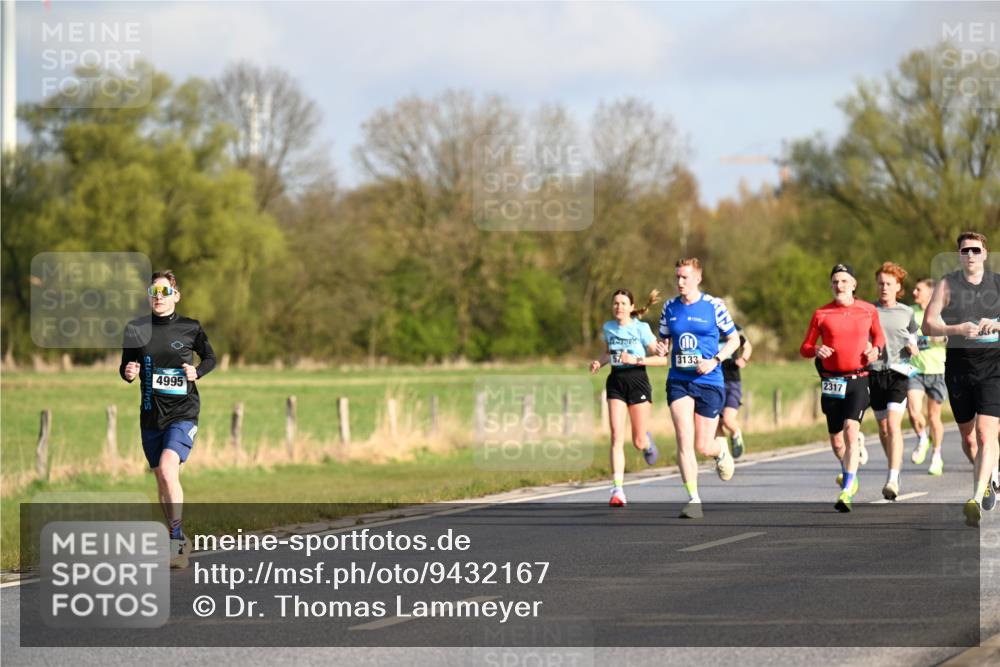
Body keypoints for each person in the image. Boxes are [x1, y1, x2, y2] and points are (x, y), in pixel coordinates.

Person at [120, 270, 216, 567]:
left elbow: (210, 358)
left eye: (164, 292)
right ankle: (178, 537)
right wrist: (128, 373)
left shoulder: (190, 328)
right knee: (162, 478)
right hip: (151, 414)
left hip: (183, 412)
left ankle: (174, 543)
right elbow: (125, 366)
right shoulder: (136, 329)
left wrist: (196, 371)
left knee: (167, 465)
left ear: (175, 295)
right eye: (153, 293)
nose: (158, 298)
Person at [636, 258, 741, 520]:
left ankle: (721, 451)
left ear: (698, 278)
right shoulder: (670, 308)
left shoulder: (714, 306)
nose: (680, 282)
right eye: (677, 277)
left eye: (685, 277)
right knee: (684, 438)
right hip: (679, 381)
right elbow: (664, 342)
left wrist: (715, 359)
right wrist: (662, 348)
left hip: (709, 380)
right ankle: (693, 499)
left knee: (704, 445)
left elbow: (734, 339)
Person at [922, 232, 1000, 527]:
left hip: (994, 368)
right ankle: (989, 476)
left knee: (985, 433)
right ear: (959, 255)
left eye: (975, 250)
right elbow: (928, 324)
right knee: (969, 439)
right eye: (965, 250)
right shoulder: (948, 284)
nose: (970, 254)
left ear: (984, 253)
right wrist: (958, 329)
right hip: (959, 369)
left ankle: (976, 496)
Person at [800, 263, 884, 512]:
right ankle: (850, 473)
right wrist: (816, 349)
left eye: (844, 281)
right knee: (838, 443)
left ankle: (846, 491)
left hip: (858, 378)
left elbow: (879, 337)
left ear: (854, 285)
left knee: (850, 430)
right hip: (831, 382)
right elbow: (805, 347)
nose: (839, 286)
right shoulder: (821, 313)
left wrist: (875, 350)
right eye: (835, 281)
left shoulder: (868, 310)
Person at [591, 289, 661, 507]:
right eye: (615, 303)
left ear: (631, 307)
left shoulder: (641, 328)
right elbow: (607, 352)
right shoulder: (608, 328)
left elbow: (660, 359)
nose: (618, 307)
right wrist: (598, 363)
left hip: (637, 380)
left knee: (638, 441)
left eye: (623, 303)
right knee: (615, 436)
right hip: (616, 381)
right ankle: (618, 490)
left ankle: (647, 442)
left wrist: (635, 359)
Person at [867, 262, 920, 501]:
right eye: (880, 284)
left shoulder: (907, 312)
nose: (884, 288)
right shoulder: (868, 311)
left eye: (888, 284)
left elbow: (915, 337)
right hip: (875, 373)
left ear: (898, 286)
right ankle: (894, 466)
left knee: (893, 424)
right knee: (883, 427)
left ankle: (892, 476)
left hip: (899, 372)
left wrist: (914, 346)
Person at [907, 278, 948, 475]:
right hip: (914, 370)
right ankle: (923, 438)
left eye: (918, 289)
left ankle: (937, 456)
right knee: (914, 411)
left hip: (937, 370)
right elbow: (902, 335)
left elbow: (951, 336)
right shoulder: (910, 312)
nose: (914, 292)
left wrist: (940, 337)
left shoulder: (941, 313)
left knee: (934, 417)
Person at [715, 324, 752, 459]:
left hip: (732, 382)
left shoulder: (731, 327)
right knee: (716, 423)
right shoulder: (705, 325)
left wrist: (744, 359)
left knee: (728, 420)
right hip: (713, 382)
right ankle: (723, 453)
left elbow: (747, 346)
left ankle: (736, 434)